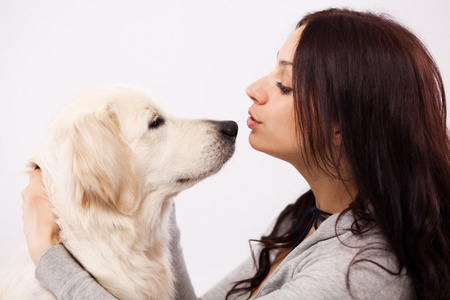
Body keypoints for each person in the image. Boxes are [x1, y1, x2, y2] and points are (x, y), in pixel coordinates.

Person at [22, 8, 450, 299]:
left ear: (342, 125)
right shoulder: (303, 220)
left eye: (284, 85)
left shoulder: (358, 272)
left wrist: (49, 257)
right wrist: (155, 196)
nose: (255, 89)